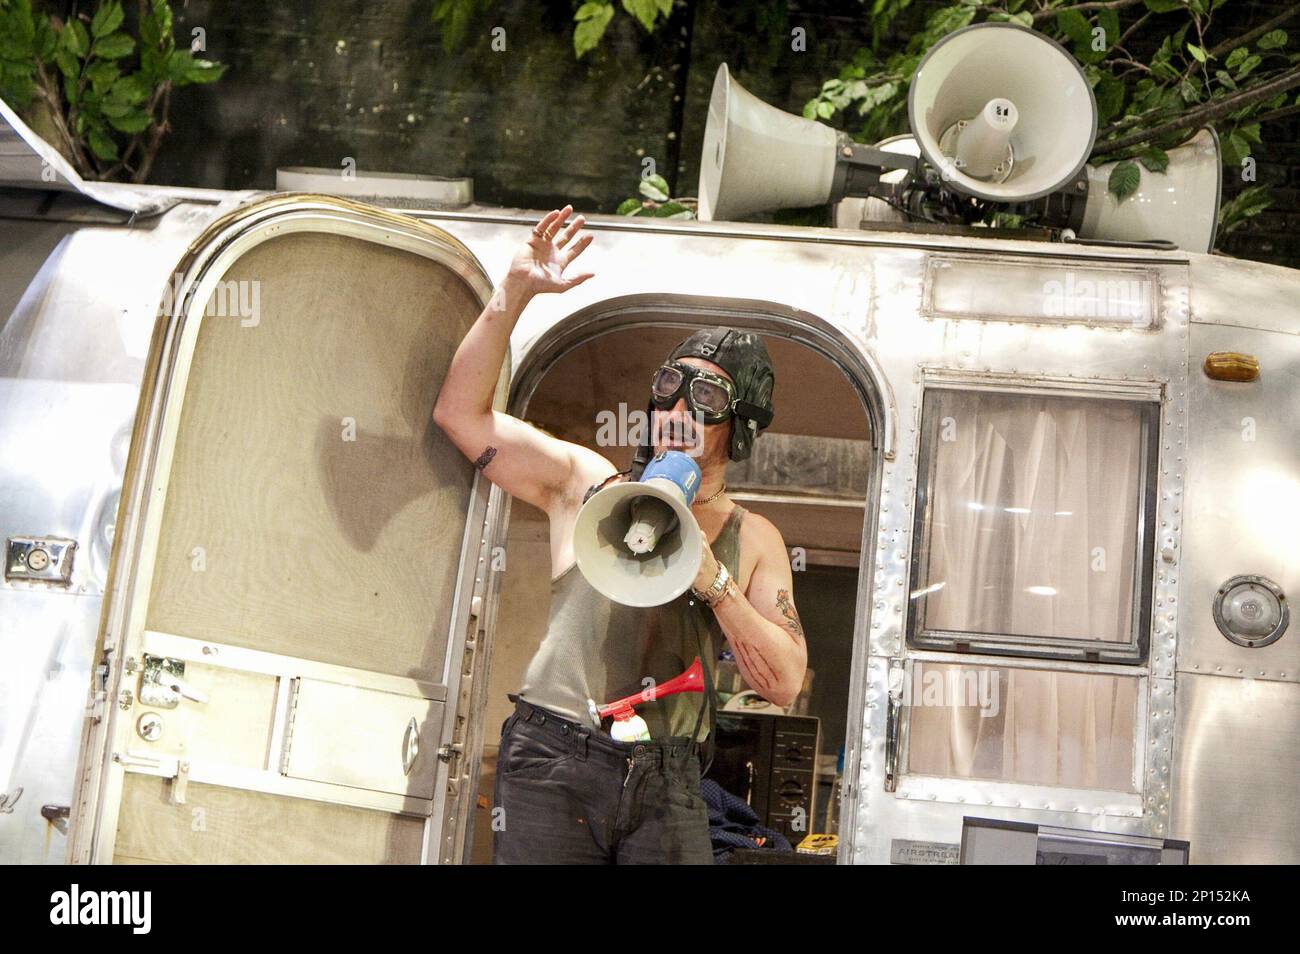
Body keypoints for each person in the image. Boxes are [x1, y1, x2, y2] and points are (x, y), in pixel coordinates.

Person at [433, 205, 807, 864]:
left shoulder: (753, 537)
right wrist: (512, 293)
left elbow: (783, 682)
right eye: (671, 385)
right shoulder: (586, 484)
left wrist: (715, 584)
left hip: (668, 778)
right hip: (558, 755)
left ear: (739, 425)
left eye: (708, 399)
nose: (680, 408)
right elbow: (461, 416)